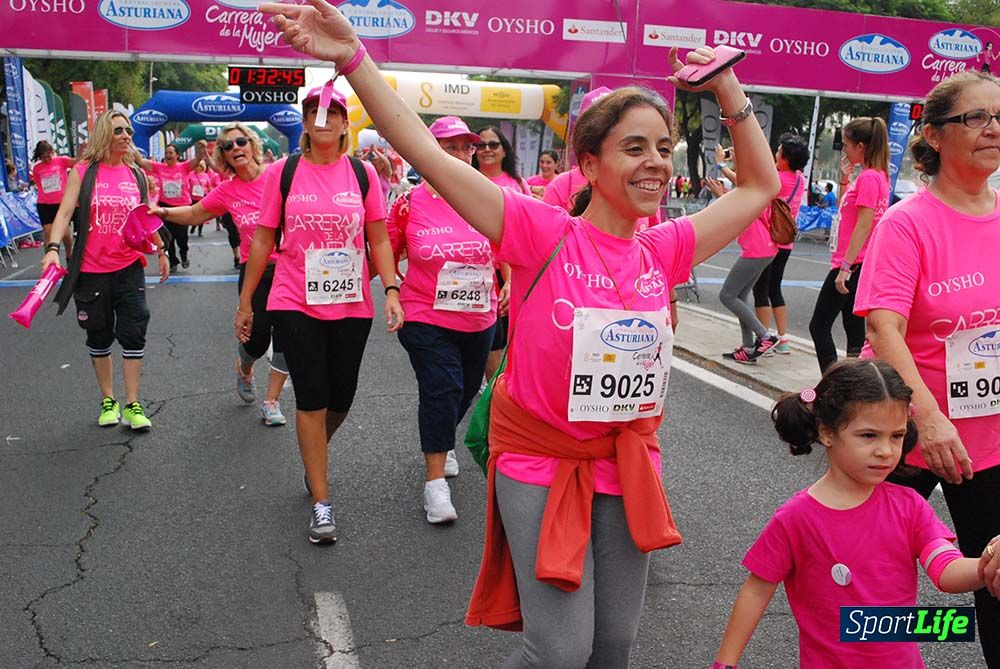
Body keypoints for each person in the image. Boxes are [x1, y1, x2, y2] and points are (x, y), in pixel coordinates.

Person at [258, 2, 779, 660]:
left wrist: (726, 87)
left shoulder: (665, 248)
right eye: (634, 148)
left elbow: (760, 186)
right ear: (588, 165)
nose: (655, 163)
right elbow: (424, 152)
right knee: (560, 650)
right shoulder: (542, 231)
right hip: (539, 459)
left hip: (626, 460)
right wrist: (352, 56)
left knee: (614, 644)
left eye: (662, 147)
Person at [713, 359, 998, 669]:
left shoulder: (910, 506)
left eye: (896, 436)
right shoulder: (797, 517)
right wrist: (725, 662)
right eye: (868, 436)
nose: (886, 451)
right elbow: (758, 588)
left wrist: (986, 564)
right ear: (827, 432)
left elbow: (945, 568)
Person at [855, 70, 1000, 666]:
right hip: (905, 431)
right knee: (874, 589)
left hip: (988, 440)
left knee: (993, 576)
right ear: (935, 136)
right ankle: (887, 654)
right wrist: (931, 418)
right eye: (976, 117)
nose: (993, 129)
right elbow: (880, 327)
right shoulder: (907, 222)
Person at [235, 81, 404, 545]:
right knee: (311, 396)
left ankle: (314, 455)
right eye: (313, 112)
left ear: (346, 124)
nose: (323, 120)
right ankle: (322, 500)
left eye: (332, 113)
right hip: (295, 299)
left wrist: (391, 288)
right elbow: (264, 239)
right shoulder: (282, 173)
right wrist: (247, 300)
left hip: (351, 302)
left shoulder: (363, 175)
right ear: (305, 123)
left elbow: (380, 237)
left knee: (341, 398)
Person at [386, 115, 498, 524]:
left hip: (478, 317)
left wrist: (509, 283)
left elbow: (510, 245)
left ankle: (443, 436)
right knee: (442, 385)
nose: (459, 154)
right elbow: (384, 245)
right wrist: (390, 289)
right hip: (424, 313)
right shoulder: (408, 203)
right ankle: (436, 486)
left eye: (465, 147)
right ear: (428, 151)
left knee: (466, 388)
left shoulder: (488, 197)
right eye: (448, 147)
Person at [149, 123, 290, 427]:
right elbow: (196, 213)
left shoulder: (279, 175)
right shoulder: (227, 190)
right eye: (228, 146)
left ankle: (272, 400)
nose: (236, 148)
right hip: (257, 274)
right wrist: (164, 212)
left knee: (288, 340)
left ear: (252, 145)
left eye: (241, 142)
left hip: (291, 270)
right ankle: (245, 367)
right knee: (256, 338)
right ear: (223, 156)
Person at [42, 111, 170, 430]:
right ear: (104, 135)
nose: (127, 135)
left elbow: (143, 218)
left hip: (129, 267)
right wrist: (53, 249)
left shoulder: (135, 174)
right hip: (91, 270)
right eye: (119, 131)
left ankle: (133, 403)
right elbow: (65, 213)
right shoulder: (83, 172)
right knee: (99, 336)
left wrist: (162, 249)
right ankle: (108, 400)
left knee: (134, 331)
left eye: (129, 130)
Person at [808, 117, 890, 373]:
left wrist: (844, 267)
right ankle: (853, 389)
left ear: (861, 146)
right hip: (860, 263)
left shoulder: (869, 178)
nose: (844, 150)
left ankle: (833, 386)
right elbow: (848, 212)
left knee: (819, 326)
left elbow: (864, 225)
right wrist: (845, 180)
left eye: (846, 144)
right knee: (854, 331)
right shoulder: (877, 176)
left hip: (852, 264)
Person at [721, 134, 809, 357]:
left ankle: (765, 336)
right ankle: (749, 347)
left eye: (778, 152)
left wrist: (723, 164)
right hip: (773, 245)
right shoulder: (797, 179)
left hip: (759, 245)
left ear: (785, 159)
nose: (774, 155)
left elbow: (744, 182)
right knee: (743, 295)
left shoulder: (775, 181)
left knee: (728, 295)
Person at [471, 125, 520, 382]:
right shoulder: (464, 180)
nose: (487, 150)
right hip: (471, 271)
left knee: (500, 338)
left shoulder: (516, 185)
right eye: (481, 145)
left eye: (493, 144)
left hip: (508, 272)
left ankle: (493, 393)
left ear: (504, 151)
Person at [134, 141, 208, 272]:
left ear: (177, 155)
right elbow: (140, 161)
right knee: (168, 237)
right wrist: (131, 143)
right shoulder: (159, 167)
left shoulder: (184, 167)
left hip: (182, 207)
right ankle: (173, 260)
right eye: (166, 153)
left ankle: (184, 254)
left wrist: (201, 148)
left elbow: (198, 159)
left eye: (171, 153)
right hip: (164, 207)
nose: (168, 155)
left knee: (182, 238)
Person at [30, 140, 80, 261]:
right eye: (43, 158)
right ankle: (50, 259)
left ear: (52, 152)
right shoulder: (37, 168)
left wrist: (82, 151)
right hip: (45, 203)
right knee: (48, 232)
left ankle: (69, 254)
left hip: (61, 203)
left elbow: (77, 162)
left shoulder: (61, 161)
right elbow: (38, 182)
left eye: (48, 156)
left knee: (66, 233)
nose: (46, 159)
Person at [187, 160, 213, 237]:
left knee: (202, 215)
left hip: (202, 197)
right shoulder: (190, 175)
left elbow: (209, 186)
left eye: (198, 166)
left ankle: (200, 231)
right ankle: (194, 226)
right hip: (193, 198)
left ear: (201, 167)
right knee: (194, 214)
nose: (196, 168)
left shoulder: (205, 175)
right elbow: (187, 185)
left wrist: (209, 194)